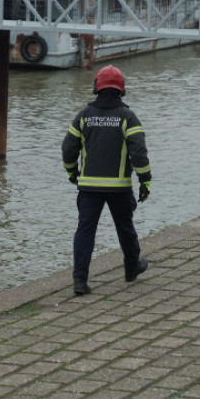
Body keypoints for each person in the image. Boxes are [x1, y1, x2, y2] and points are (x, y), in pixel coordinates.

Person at [61, 65, 151, 296]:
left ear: (96, 87)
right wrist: (145, 180)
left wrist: (72, 172)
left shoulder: (83, 116)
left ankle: (80, 280)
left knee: (85, 230)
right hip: (119, 187)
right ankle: (132, 266)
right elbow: (138, 153)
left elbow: (68, 148)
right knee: (125, 227)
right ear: (121, 89)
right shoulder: (128, 117)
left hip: (89, 187)